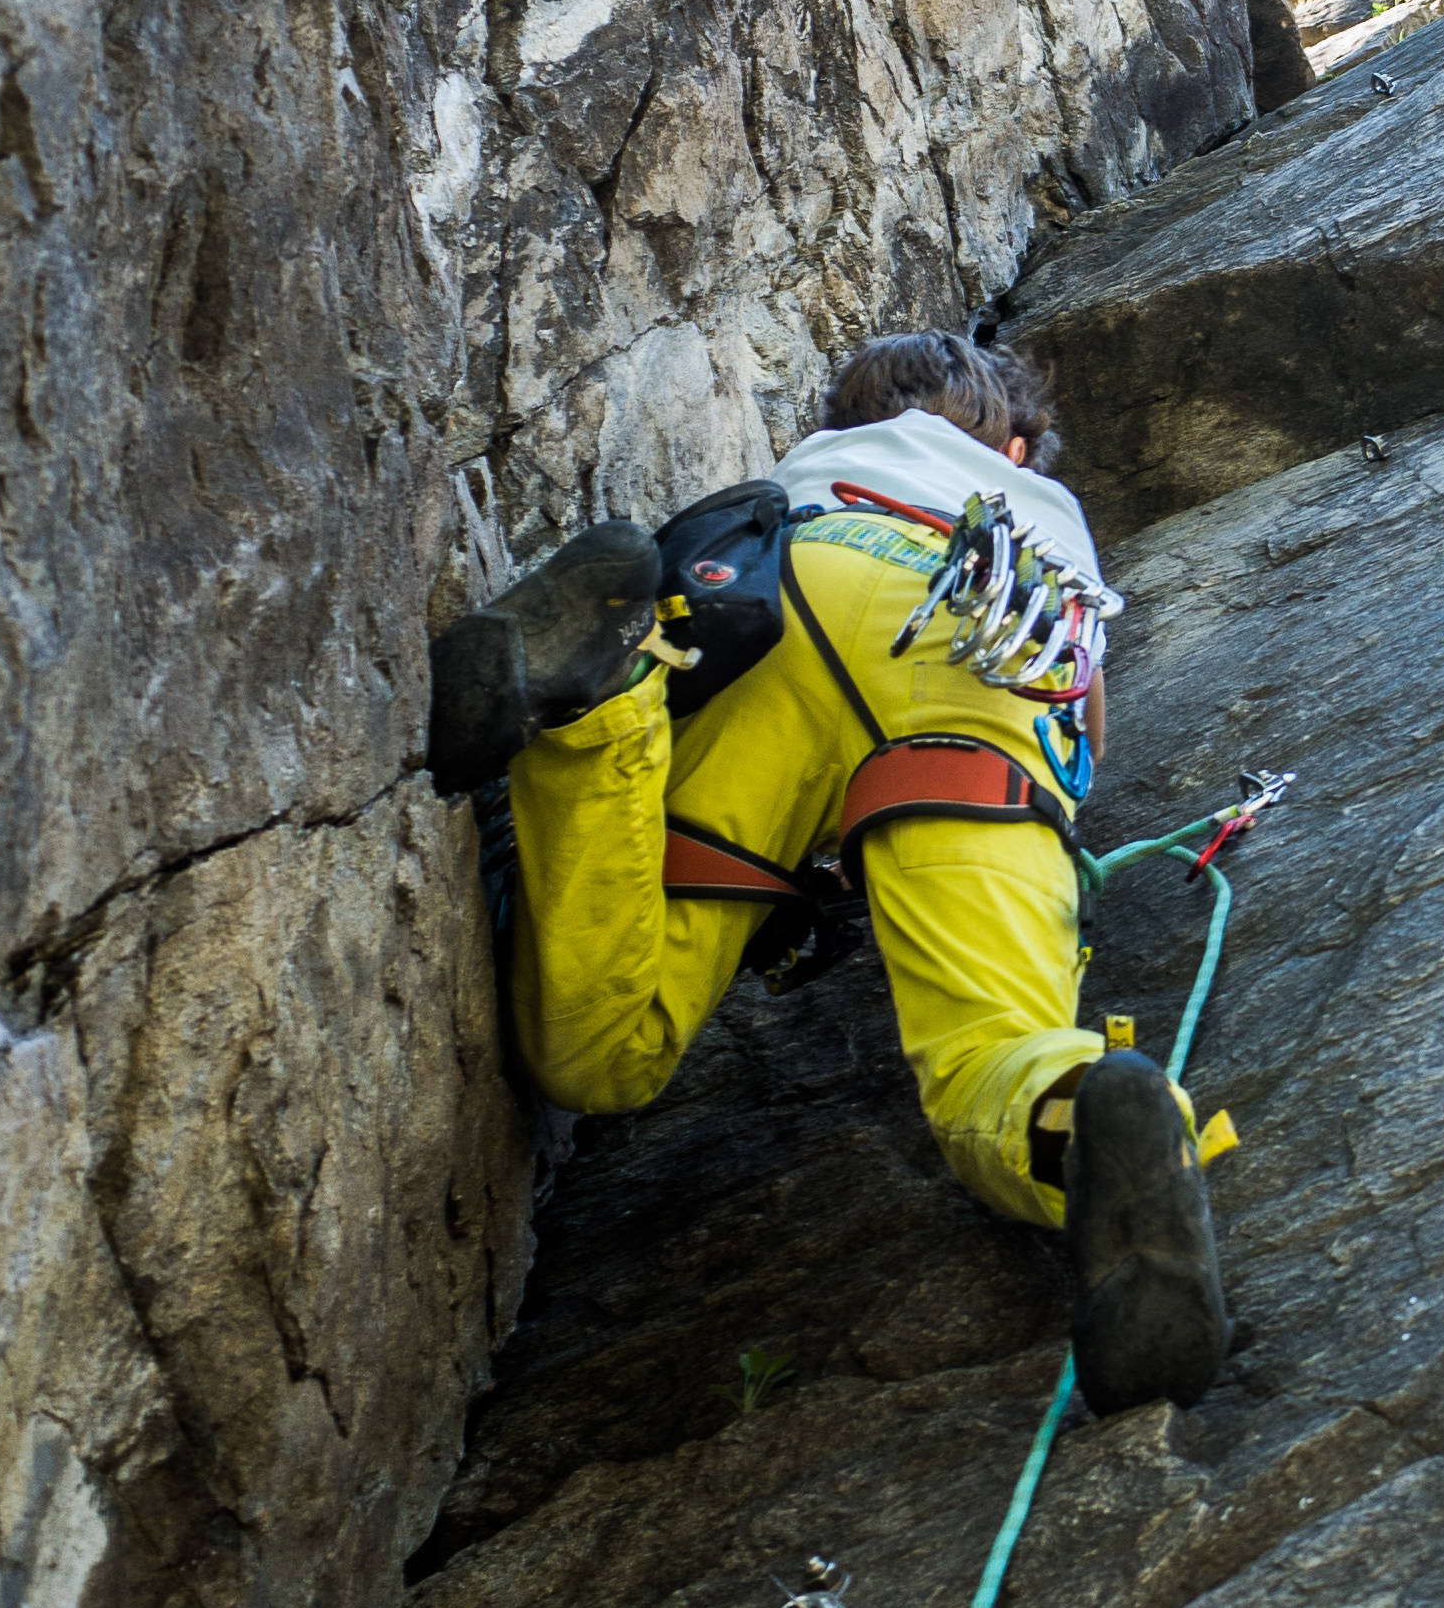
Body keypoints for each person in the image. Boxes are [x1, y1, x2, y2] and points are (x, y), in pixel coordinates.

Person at [426, 331, 1226, 1413]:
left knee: (602, 1057)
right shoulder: (1037, 504)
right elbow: (1079, 715)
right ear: (1020, 444)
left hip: (787, 597)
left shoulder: (823, 459)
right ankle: (1076, 1111)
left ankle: (601, 700)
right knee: (991, 1037)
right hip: (984, 643)